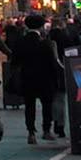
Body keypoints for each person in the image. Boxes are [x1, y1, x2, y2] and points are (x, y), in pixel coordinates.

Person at [10, 14, 61, 143]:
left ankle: (31, 132)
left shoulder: (20, 41)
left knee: (29, 105)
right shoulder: (45, 43)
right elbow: (52, 62)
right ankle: (46, 130)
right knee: (46, 105)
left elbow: (14, 61)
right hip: (45, 78)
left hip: (27, 78)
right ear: (41, 26)